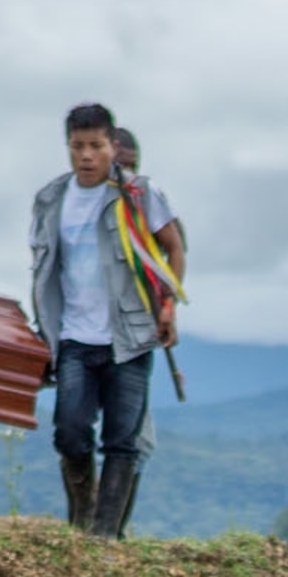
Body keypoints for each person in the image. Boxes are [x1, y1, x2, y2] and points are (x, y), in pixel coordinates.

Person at [31, 103, 178, 536]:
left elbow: (173, 245)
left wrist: (167, 304)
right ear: (68, 148)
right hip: (73, 336)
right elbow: (43, 270)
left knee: (123, 438)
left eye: (96, 146)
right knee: (70, 430)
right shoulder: (51, 200)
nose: (87, 156)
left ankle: (104, 536)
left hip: (130, 336)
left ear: (112, 146)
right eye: (78, 147)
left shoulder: (138, 195)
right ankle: (82, 518)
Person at [109, 126, 180, 536]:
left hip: (134, 341)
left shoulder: (140, 208)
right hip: (102, 340)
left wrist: (167, 310)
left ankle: (108, 528)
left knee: (135, 440)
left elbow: (167, 260)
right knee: (128, 439)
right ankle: (103, 529)